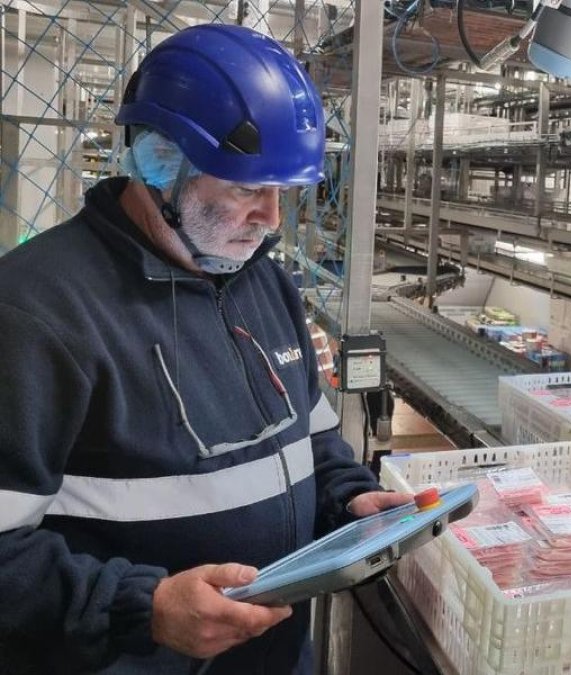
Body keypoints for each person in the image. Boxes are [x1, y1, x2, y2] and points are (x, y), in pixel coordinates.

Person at [0, 24, 411, 674]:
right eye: (247, 189)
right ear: (161, 161)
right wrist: (145, 606)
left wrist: (352, 499)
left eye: (283, 192)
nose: (272, 219)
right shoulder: (37, 311)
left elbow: (315, 439)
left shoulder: (264, 284)